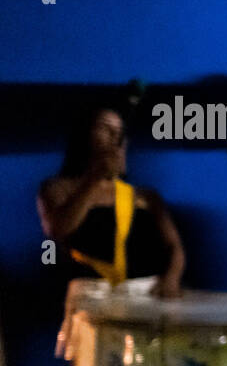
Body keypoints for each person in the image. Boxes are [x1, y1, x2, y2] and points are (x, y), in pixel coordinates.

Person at [38, 105, 185, 297]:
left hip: (145, 296)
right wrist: (95, 179)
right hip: (90, 298)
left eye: (120, 132)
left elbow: (174, 247)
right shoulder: (58, 188)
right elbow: (58, 230)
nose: (115, 136)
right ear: (84, 136)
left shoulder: (146, 197)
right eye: (105, 128)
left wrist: (171, 278)